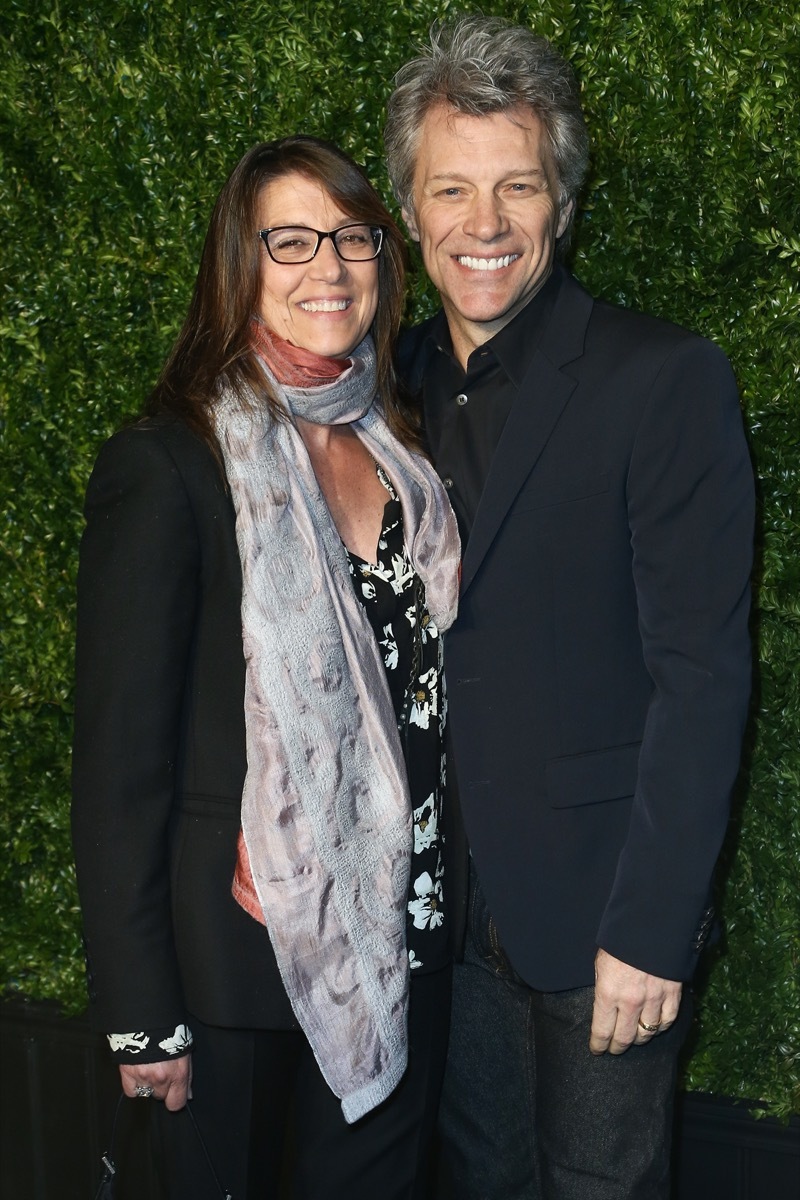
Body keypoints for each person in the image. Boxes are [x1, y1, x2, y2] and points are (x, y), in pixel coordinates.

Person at [385, 16, 754, 1199]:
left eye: (515, 188)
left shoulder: (662, 379)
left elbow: (702, 676)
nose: (482, 225)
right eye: (451, 189)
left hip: (599, 914)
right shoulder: (381, 387)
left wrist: (652, 927)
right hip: (435, 915)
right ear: (408, 211)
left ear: (562, 203)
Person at [71, 134, 460, 1200]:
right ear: (235, 264)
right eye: (287, 241)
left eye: (349, 238)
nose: (326, 268)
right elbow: (119, 774)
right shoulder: (170, 464)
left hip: (403, 944)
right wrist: (141, 1012)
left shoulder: (401, 445)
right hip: (233, 976)